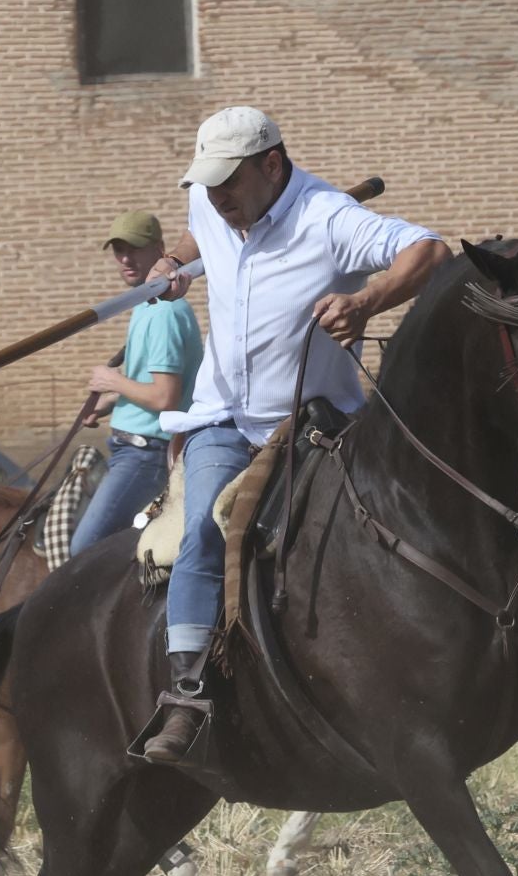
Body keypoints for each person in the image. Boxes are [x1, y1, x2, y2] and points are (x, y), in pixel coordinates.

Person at [135, 106, 450, 764]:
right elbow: (196, 230)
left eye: (228, 182)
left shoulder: (327, 218)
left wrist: (365, 301)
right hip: (222, 417)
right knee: (204, 529)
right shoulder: (211, 204)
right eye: (207, 184)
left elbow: (429, 250)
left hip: (312, 422)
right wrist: (173, 262)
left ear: (272, 165)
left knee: (352, 531)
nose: (216, 198)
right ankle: (187, 694)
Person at [69, 211, 204, 557]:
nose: (125, 259)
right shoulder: (146, 305)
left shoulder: (164, 312)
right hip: (131, 448)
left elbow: (165, 397)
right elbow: (152, 387)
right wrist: (111, 402)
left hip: (146, 454)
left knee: (84, 550)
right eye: (119, 250)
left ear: (160, 251)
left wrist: (112, 380)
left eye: (134, 249)